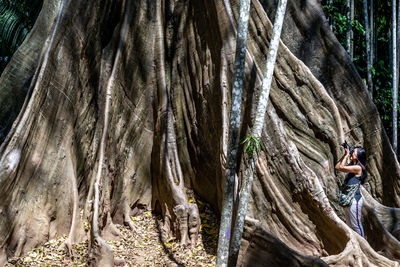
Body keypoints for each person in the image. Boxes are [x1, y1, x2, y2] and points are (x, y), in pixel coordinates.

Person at [335, 145, 367, 237]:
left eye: (354, 152)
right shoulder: (352, 165)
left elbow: (341, 167)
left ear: (359, 156)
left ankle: (364, 247)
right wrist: (345, 154)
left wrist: (346, 155)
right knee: (350, 226)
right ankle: (355, 246)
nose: (352, 153)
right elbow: (337, 167)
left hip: (354, 200)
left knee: (356, 226)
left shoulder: (358, 168)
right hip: (348, 199)